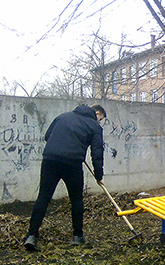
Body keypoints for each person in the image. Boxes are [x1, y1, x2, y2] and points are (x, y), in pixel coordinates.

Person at [24, 104, 107, 251]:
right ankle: (78, 236)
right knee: (76, 199)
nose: (99, 122)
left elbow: (47, 136)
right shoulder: (94, 127)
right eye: (100, 118)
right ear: (97, 112)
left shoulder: (62, 117)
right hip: (72, 163)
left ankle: (31, 236)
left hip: (50, 159)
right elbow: (97, 153)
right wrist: (98, 175)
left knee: (43, 197)